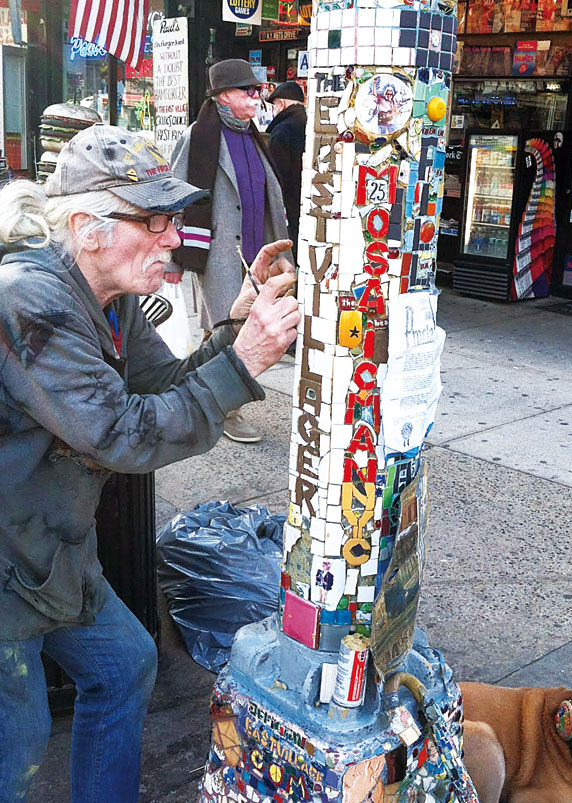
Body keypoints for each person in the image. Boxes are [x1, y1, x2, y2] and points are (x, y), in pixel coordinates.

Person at [0, 123, 299, 803]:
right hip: (7, 563)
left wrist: (234, 327)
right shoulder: (27, 297)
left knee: (126, 663)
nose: (173, 236)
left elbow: (164, 387)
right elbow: (122, 432)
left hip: (50, 554)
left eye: (173, 217)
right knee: (17, 740)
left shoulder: (111, 303)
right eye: (155, 219)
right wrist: (246, 362)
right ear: (88, 227)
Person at [168, 58, 291, 444]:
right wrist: (175, 257)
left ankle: (202, 394)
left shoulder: (255, 135)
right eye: (247, 90)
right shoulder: (199, 137)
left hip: (259, 255)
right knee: (228, 328)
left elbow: (268, 197)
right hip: (220, 253)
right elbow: (175, 199)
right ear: (223, 97)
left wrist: (282, 249)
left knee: (228, 330)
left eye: (256, 89)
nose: (257, 96)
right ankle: (225, 407)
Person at [265, 81, 306, 258]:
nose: (273, 110)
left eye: (274, 105)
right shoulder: (310, 125)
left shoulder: (281, 131)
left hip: (288, 205)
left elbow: (276, 176)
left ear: (281, 104)